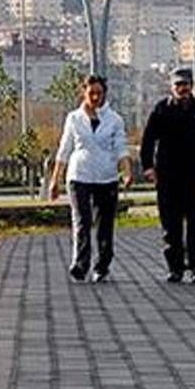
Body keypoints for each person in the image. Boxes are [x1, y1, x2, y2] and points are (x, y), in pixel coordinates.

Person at [140, 67, 195, 284]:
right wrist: (148, 166)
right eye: (178, 85)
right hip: (168, 177)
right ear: (171, 87)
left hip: (194, 176)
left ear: (192, 86)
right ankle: (175, 267)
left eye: (186, 84)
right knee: (171, 226)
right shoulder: (161, 110)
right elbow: (148, 140)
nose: (182, 88)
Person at [49, 75, 132, 284]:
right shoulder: (74, 118)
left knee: (105, 224)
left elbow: (122, 147)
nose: (95, 97)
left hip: (107, 177)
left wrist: (127, 171)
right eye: (91, 93)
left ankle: (102, 265)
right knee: (81, 221)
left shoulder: (114, 119)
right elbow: (64, 149)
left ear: (105, 94)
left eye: (99, 93)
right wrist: (55, 179)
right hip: (80, 176)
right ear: (83, 93)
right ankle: (80, 264)